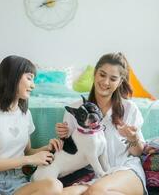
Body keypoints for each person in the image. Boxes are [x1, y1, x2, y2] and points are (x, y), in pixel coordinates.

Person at [0, 55, 65, 195]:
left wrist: (46, 148)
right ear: (13, 77)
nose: (33, 85)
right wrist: (29, 159)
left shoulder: (25, 114)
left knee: (54, 186)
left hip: (18, 182)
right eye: (29, 78)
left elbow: (28, 151)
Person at [56, 52, 147, 195]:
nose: (105, 82)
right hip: (91, 174)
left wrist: (132, 138)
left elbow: (138, 152)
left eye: (113, 78)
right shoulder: (75, 110)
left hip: (125, 170)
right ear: (95, 74)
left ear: (120, 81)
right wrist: (63, 138)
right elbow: (70, 153)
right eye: (102, 75)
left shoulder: (129, 109)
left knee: (96, 192)